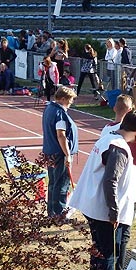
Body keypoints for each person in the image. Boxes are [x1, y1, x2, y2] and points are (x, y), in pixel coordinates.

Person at [68, 110, 136, 270]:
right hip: (102, 209)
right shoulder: (119, 148)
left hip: (92, 204)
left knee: (99, 250)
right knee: (108, 253)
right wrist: (114, 212)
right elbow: (111, 180)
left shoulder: (108, 138)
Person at [99, 95, 136, 270]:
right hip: (125, 191)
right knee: (120, 237)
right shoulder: (124, 136)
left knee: (112, 240)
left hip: (119, 190)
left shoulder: (106, 129)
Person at [41, 86, 78, 217]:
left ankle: (51, 211)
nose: (71, 103)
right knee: (61, 183)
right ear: (63, 99)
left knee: (53, 182)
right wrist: (67, 155)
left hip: (50, 151)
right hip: (59, 153)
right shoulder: (60, 114)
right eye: (70, 100)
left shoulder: (49, 108)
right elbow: (61, 135)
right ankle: (59, 212)